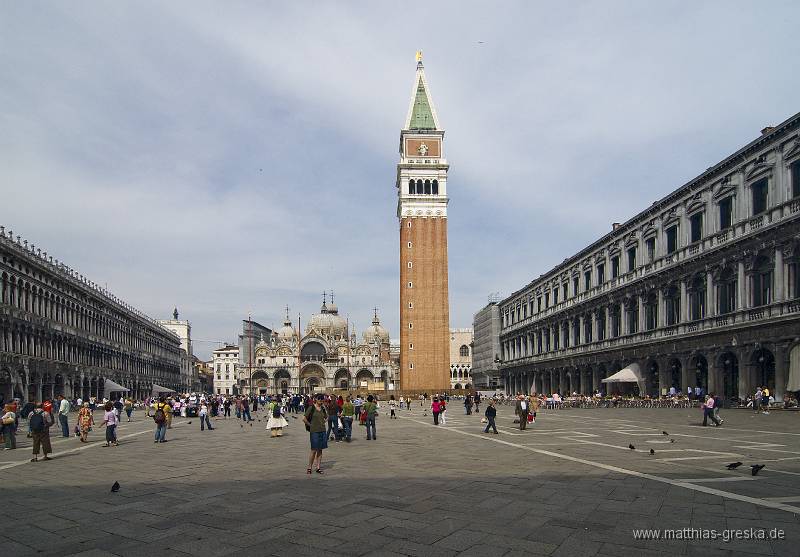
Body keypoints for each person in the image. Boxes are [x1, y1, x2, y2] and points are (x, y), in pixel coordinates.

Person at [303, 395, 328, 474]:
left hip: (322, 431)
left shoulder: (323, 408)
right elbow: (304, 419)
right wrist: (311, 425)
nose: (321, 400)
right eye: (319, 399)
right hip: (314, 431)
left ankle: (318, 467)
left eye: (322, 399)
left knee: (320, 450)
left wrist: (324, 422)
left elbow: (327, 417)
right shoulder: (311, 408)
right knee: (313, 450)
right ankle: (309, 467)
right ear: (316, 399)